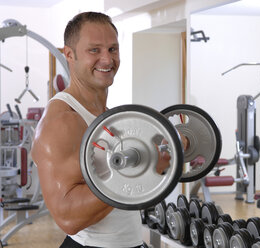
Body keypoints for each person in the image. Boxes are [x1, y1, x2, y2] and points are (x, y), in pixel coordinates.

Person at [31, 12, 182, 248]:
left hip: (130, 242)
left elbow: (128, 187)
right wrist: (144, 168)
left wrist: (160, 162)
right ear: (69, 55)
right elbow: (68, 217)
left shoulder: (108, 116)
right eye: (94, 50)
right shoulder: (62, 121)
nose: (107, 59)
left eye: (113, 49)